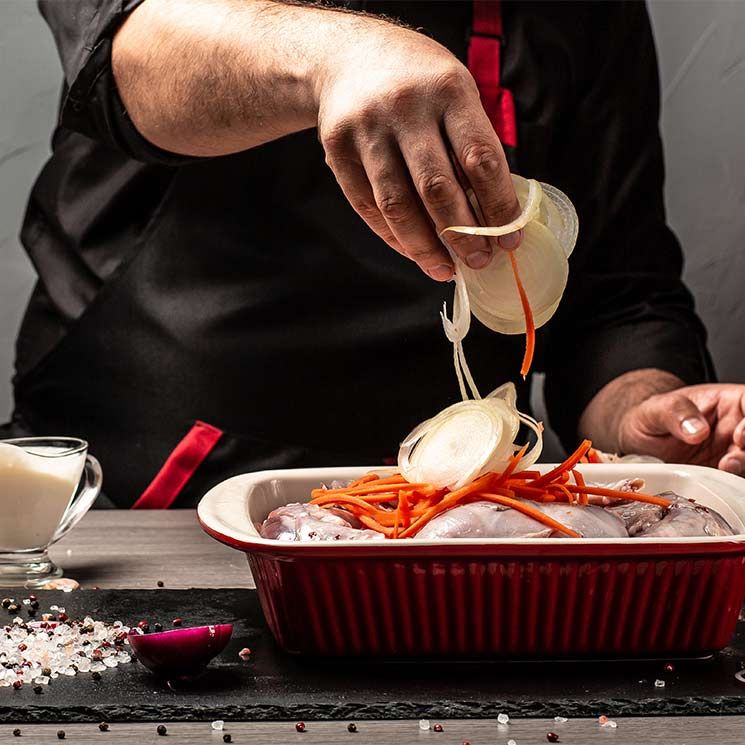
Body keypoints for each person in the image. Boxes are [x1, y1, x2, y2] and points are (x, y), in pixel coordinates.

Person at [4, 0, 744, 508]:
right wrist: (336, 58)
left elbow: (616, 291)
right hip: (141, 490)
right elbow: (123, 55)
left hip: (450, 515)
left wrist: (648, 410)